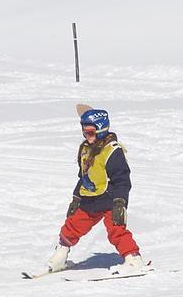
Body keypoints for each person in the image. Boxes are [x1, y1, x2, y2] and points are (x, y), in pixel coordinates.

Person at [45, 107, 144, 274]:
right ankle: (61, 255)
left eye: (90, 133)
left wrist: (120, 202)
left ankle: (133, 259)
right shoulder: (86, 149)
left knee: (116, 230)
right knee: (71, 226)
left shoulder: (112, 151)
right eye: (84, 133)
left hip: (110, 199)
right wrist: (76, 199)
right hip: (89, 199)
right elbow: (83, 176)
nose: (86, 137)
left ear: (101, 129)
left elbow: (122, 180)